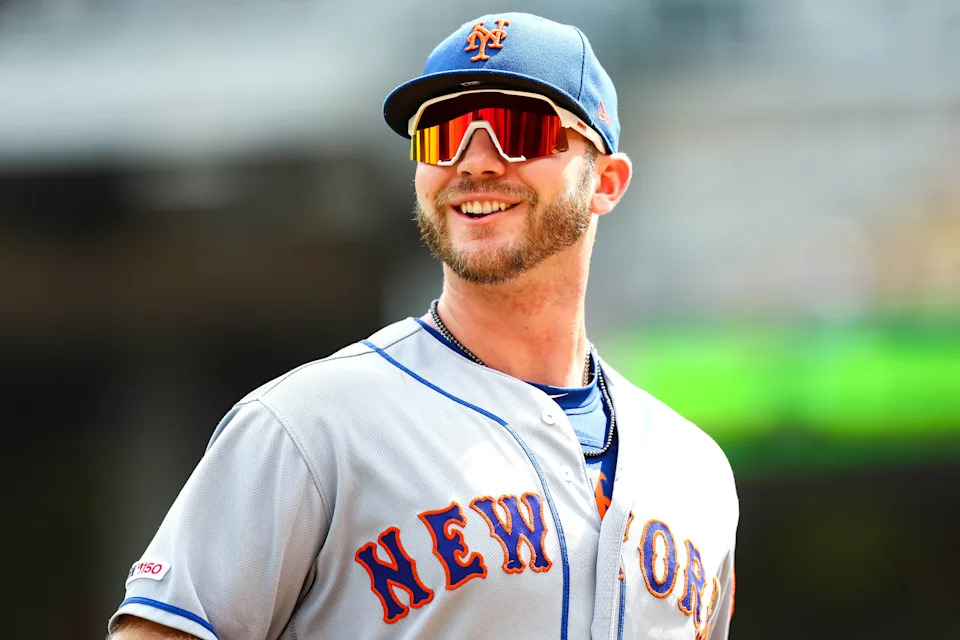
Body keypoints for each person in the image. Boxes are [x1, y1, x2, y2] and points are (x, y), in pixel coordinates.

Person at [109, 12, 738, 640]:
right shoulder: (310, 426)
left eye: (519, 129)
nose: (476, 163)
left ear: (605, 180)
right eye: (443, 135)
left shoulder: (695, 470)